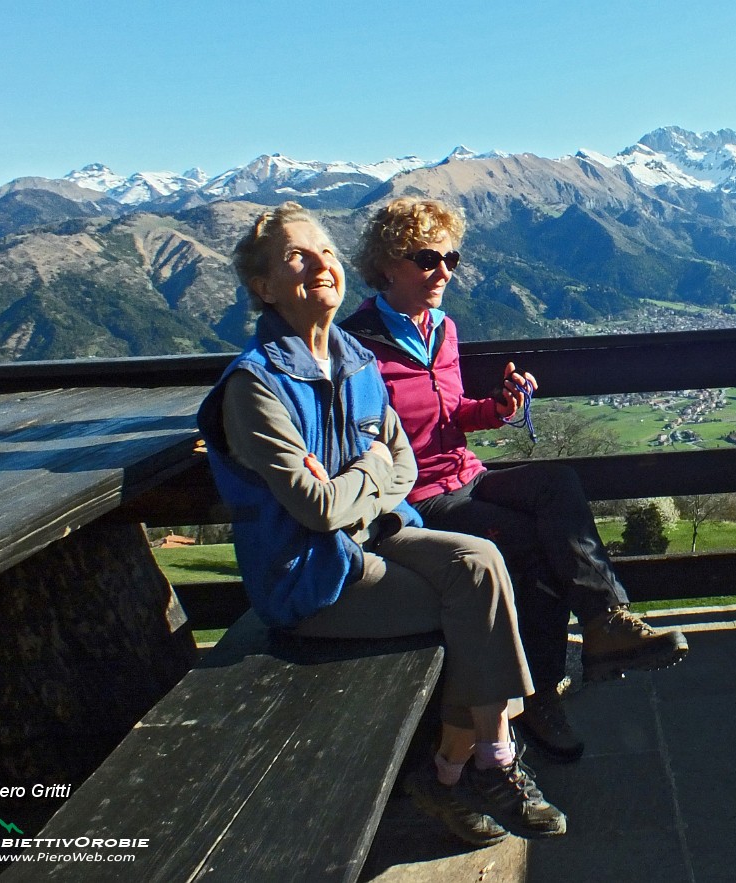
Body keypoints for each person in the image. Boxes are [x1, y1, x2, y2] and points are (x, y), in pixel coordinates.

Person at [196, 201, 565, 845]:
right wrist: (367, 471)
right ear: (262, 287)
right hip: (311, 578)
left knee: (481, 561)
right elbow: (319, 510)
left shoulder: (355, 361)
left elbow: (396, 469)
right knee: (469, 601)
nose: (321, 264)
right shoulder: (254, 388)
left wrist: (352, 481)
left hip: (376, 537)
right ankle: (482, 767)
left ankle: (459, 769)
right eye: (297, 257)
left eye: (327, 253)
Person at [340, 196, 689, 763]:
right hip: (420, 498)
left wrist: (498, 407)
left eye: (451, 258)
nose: (444, 272)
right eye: (428, 258)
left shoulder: (441, 329)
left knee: (558, 484)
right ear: (388, 262)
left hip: (467, 475)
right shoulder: (356, 345)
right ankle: (542, 695)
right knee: (535, 548)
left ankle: (603, 619)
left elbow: (450, 414)